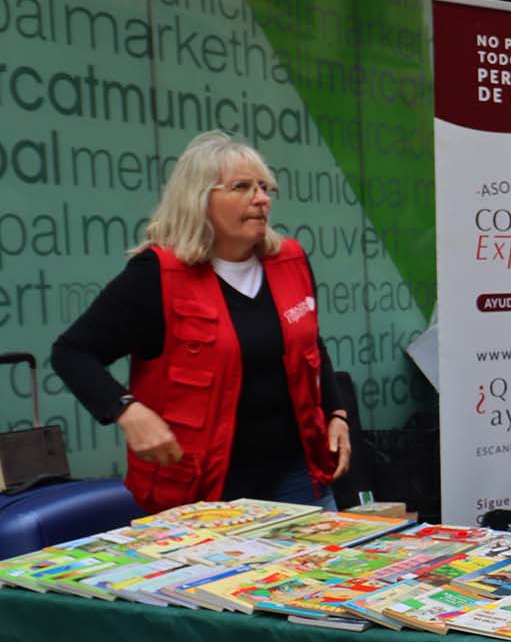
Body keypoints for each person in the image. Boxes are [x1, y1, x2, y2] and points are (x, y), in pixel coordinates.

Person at [51, 131, 349, 512]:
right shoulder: (157, 275)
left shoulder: (289, 261)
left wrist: (336, 414)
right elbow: (72, 352)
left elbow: (309, 345)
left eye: (264, 187)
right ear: (199, 199)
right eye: (242, 187)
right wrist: (126, 410)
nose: (261, 199)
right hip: (203, 489)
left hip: (296, 476)